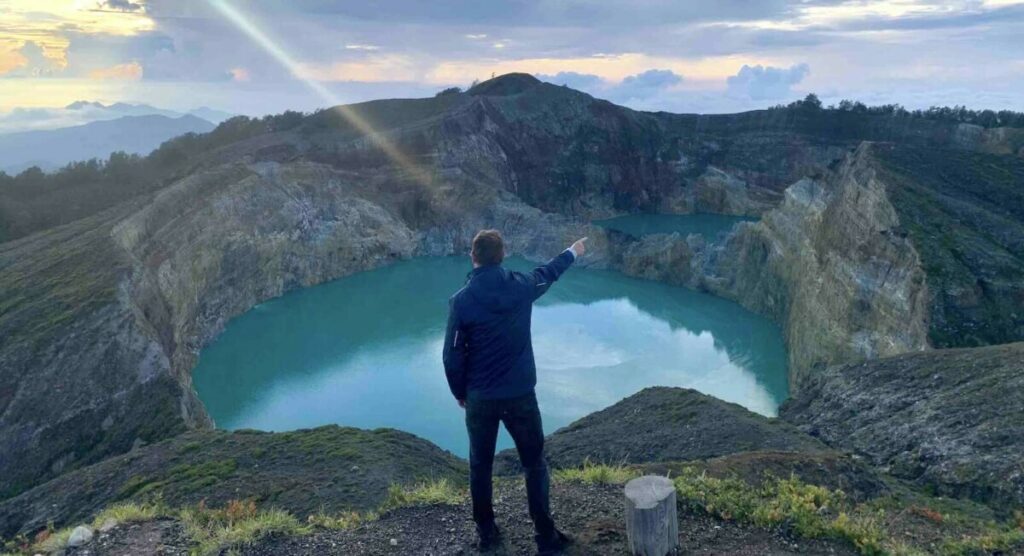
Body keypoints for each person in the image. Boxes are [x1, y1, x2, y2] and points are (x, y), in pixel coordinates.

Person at [443, 229, 587, 555]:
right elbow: (548, 272)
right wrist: (573, 251)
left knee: (480, 465)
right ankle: (545, 535)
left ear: (473, 257)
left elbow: (452, 356)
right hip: (521, 395)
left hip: (480, 397)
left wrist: (460, 392)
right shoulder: (522, 287)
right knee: (534, 463)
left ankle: (487, 534)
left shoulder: (461, 302)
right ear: (502, 255)